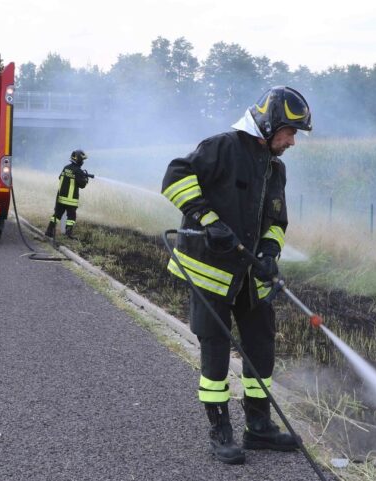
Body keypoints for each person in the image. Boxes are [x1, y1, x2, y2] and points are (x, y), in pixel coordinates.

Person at [161, 86, 312, 465]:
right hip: (210, 272)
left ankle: (258, 428)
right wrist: (209, 220)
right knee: (215, 351)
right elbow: (175, 176)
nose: (292, 141)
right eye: (289, 132)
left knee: (261, 345)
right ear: (269, 122)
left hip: (250, 277)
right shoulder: (223, 147)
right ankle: (220, 431)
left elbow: (277, 219)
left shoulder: (275, 167)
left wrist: (270, 251)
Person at [45, 149, 89, 240]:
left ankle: (49, 231)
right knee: (71, 217)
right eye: (82, 160)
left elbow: (60, 177)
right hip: (71, 200)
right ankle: (68, 233)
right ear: (79, 160)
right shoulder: (78, 171)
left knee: (56, 215)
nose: (83, 162)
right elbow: (82, 185)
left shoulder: (66, 168)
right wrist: (85, 179)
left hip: (61, 198)